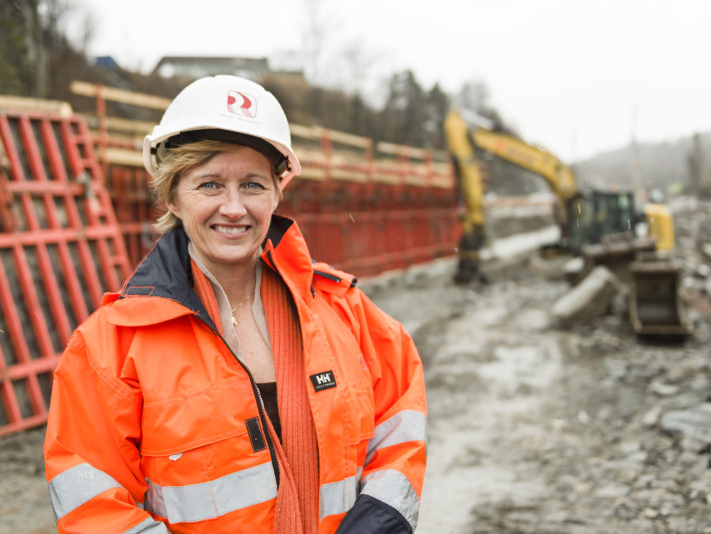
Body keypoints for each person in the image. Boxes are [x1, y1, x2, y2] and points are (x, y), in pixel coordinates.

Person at [43, 75, 427, 534]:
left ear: (277, 192)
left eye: (252, 185)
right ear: (173, 196)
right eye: (208, 185)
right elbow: (94, 507)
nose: (233, 207)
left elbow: (400, 435)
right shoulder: (111, 347)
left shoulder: (347, 313)